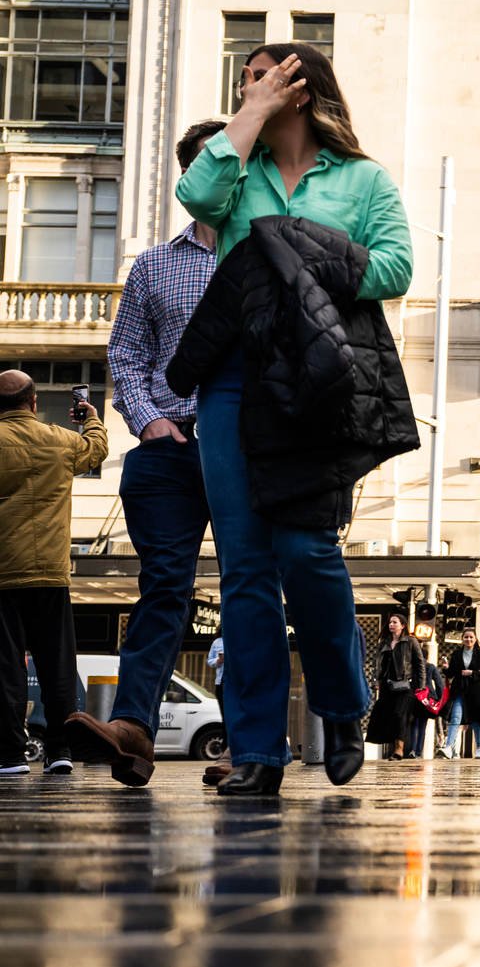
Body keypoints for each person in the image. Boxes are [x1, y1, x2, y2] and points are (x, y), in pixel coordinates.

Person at [169, 45, 416, 797]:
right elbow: (196, 193)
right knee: (243, 572)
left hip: (315, 386)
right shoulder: (235, 175)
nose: (248, 86)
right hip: (235, 381)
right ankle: (256, 753)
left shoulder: (363, 178)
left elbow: (395, 269)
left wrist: (304, 254)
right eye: (246, 79)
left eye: (262, 76)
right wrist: (248, 114)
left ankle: (343, 706)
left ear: (302, 89)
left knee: (307, 553)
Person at [63, 121, 225, 788]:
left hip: (244, 449)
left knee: (253, 590)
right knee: (162, 586)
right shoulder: (156, 264)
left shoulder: (271, 255)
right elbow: (126, 354)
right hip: (167, 450)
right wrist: (150, 419)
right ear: (191, 183)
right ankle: (132, 731)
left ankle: (251, 746)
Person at [0, 372, 108, 776]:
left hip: (4, 573)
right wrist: (91, 417)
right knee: (57, 665)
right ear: (33, 402)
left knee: (6, 666)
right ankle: (59, 750)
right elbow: (97, 448)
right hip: (49, 571)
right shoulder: (60, 441)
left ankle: (10, 756)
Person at [367, 613, 424, 758]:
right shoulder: (384, 643)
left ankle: (399, 749)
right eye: (390, 622)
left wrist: (421, 686)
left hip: (405, 686)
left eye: (395, 622)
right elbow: (377, 665)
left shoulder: (410, 641)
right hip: (387, 685)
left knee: (400, 715)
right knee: (387, 715)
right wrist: (376, 681)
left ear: (403, 625)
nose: (391, 624)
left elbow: (420, 664)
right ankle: (392, 748)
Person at [440, 630, 480, 758]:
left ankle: (479, 747)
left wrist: (472, 673)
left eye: (471, 637)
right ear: (462, 639)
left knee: (476, 720)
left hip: (475, 692)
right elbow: (451, 673)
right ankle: (449, 747)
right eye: (466, 637)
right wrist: (446, 668)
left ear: (475, 639)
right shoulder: (456, 654)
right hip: (459, 690)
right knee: (455, 717)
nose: (468, 639)